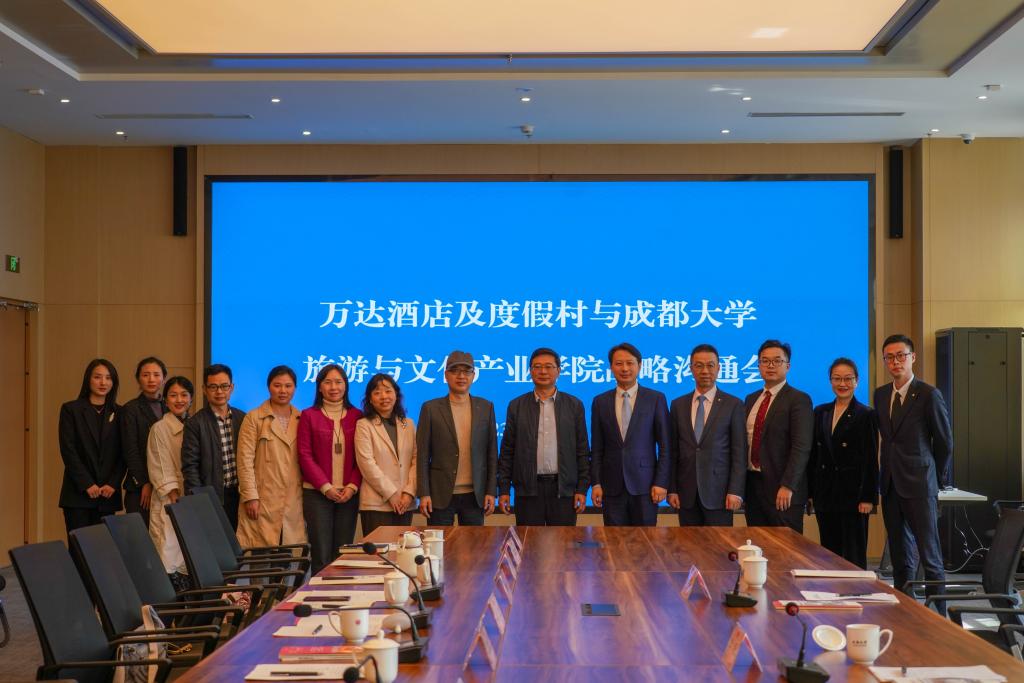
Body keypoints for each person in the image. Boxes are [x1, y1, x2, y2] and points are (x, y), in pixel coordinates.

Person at [876, 334, 953, 609]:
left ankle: (938, 617)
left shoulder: (929, 394)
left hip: (920, 485)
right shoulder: (881, 394)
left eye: (901, 356)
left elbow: (944, 442)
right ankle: (905, 612)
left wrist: (935, 478)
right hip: (890, 484)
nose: (895, 362)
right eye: (889, 357)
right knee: (899, 556)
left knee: (929, 556)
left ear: (913, 358)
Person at [497, 347, 590, 526]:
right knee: (529, 541)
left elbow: (582, 450)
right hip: (528, 491)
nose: (543, 371)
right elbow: (507, 451)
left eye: (549, 366)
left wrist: (582, 488)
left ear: (558, 371)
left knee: (562, 542)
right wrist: (504, 490)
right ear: (530, 371)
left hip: (563, 491)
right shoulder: (516, 406)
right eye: (537, 367)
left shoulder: (574, 405)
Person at [590, 342, 671, 526]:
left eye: (630, 363)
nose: (625, 368)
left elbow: (665, 446)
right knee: (614, 540)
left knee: (645, 539)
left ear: (639, 366)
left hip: (646, 486)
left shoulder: (655, 398)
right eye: (619, 363)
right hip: (611, 487)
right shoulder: (600, 402)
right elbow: (597, 448)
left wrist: (661, 482)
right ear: (611, 367)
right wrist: (596, 483)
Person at [808, 358, 878, 569]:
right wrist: (810, 492)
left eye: (848, 379)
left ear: (857, 381)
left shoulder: (866, 414)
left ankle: (857, 589)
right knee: (829, 553)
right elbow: (814, 456)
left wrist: (868, 497)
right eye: (837, 378)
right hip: (825, 494)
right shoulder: (820, 411)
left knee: (853, 555)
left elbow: (870, 458)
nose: (842, 384)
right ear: (830, 381)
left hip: (853, 497)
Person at [667, 344, 747, 526]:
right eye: (699, 365)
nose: (705, 371)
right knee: (688, 543)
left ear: (718, 368)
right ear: (690, 368)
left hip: (720, 494)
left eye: (710, 365)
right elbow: (673, 451)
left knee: (718, 544)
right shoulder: (678, 405)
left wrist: (735, 490)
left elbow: (739, 453)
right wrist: (672, 489)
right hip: (686, 494)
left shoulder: (733, 404)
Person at [416, 351, 497, 526]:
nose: (461, 376)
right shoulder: (430, 408)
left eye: (466, 371)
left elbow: (491, 453)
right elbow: (422, 455)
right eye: (455, 371)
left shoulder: (486, 407)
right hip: (439, 494)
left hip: (475, 495)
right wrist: (423, 493)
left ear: (473, 375)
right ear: (446, 375)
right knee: (438, 543)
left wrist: (491, 491)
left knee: (473, 543)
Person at [298, 364, 363, 574]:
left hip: (348, 495)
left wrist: (352, 486)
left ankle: (341, 593)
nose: (333, 387)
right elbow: (304, 455)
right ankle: (318, 594)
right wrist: (325, 487)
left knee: (343, 554)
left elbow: (363, 457)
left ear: (346, 385)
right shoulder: (308, 415)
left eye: (338, 382)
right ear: (319, 387)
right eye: (327, 382)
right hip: (317, 494)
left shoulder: (358, 415)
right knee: (321, 554)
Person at [743, 340, 814, 532]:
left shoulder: (799, 399)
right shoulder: (751, 399)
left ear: (787, 366)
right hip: (753, 487)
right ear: (758, 365)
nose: (770, 365)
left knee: (786, 546)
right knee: (757, 544)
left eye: (777, 361)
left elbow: (801, 447)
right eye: (765, 361)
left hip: (782, 490)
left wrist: (788, 485)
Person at [236, 365, 306, 548]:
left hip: (293, 500)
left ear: (295, 388)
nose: (283, 391)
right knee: (260, 555)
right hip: (262, 499)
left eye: (288, 386)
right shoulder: (254, 418)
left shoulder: (302, 418)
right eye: (277, 385)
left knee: (289, 553)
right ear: (269, 387)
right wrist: (250, 496)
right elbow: (244, 461)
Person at [58, 358, 124, 536]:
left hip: (107, 494)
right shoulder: (71, 410)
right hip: (78, 494)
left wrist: (113, 483)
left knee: (104, 548)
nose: (103, 382)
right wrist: (87, 483)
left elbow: (123, 453)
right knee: (79, 547)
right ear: (88, 379)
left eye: (108, 378)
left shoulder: (120, 412)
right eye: (97, 377)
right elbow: (68, 450)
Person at [181, 363, 246, 529]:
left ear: (231, 388)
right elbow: (190, 466)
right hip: (211, 497)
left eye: (224, 386)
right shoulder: (195, 423)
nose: (219, 392)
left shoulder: (243, 418)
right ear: (204, 389)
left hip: (240, 496)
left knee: (240, 543)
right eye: (213, 387)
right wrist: (198, 500)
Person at [354, 373, 417, 536]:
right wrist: (391, 494)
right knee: (379, 550)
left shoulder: (409, 424)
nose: (384, 396)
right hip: (376, 503)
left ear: (396, 395)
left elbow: (417, 460)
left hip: (405, 502)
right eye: (377, 393)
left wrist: (409, 493)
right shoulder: (363, 425)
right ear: (370, 399)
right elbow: (367, 464)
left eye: (388, 391)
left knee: (403, 549)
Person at [147, 376, 193, 586]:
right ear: (165, 400)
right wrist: (174, 493)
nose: (179, 400)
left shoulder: (193, 424)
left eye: (184, 395)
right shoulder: (159, 428)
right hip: (170, 500)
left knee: (187, 558)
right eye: (173, 395)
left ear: (191, 399)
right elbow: (160, 465)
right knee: (168, 555)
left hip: (188, 500)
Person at [119, 356, 167, 527]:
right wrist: (144, 482)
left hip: (166, 486)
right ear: (138, 379)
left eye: (156, 375)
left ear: (164, 378)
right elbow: (130, 450)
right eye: (146, 375)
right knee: (141, 537)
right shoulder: (130, 409)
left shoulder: (170, 407)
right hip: (140, 488)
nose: (151, 379)